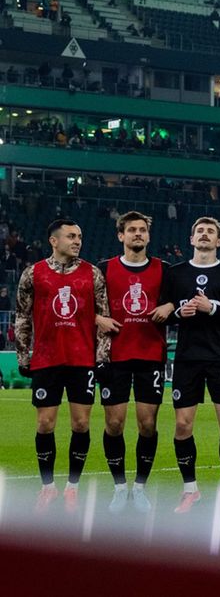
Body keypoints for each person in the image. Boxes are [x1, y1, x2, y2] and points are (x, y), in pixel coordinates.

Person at [14, 219, 118, 512]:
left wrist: (101, 357)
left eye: (80, 236)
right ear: (53, 240)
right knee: (45, 424)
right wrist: (24, 356)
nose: (77, 241)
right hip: (47, 359)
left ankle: (72, 487)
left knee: (81, 423)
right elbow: (22, 316)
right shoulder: (33, 273)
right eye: (71, 236)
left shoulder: (92, 274)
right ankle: (48, 487)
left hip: (81, 359)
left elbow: (104, 318)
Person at [156, 217, 220, 513]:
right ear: (191, 239)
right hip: (186, 358)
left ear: (219, 241)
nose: (205, 235)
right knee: (183, 425)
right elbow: (162, 312)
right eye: (200, 231)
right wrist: (179, 312)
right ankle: (190, 490)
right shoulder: (175, 274)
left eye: (211, 232)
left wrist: (214, 307)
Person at [98, 211, 168, 513]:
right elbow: (84, 306)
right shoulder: (104, 269)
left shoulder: (165, 270)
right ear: (120, 235)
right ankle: (119, 487)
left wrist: (171, 304)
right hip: (115, 356)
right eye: (131, 230)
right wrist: (98, 318)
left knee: (147, 424)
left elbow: (182, 298)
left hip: (151, 355)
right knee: (114, 423)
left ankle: (139, 487)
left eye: (142, 229)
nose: (137, 234)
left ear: (149, 236)